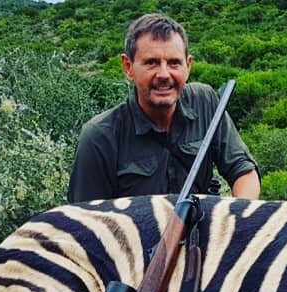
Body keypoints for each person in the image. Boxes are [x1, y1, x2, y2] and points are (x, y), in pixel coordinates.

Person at [67, 13, 261, 203]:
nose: (164, 74)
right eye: (151, 63)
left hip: (203, 233)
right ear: (128, 67)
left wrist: (234, 222)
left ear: (188, 66)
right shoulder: (99, 137)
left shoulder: (205, 101)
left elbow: (244, 172)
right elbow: (87, 222)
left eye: (174, 63)